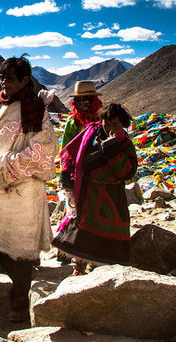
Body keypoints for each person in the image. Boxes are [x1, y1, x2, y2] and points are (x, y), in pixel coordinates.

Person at [0, 58, 58, 323]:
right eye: (2, 77)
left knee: (21, 250)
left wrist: (2, 169)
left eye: (10, 78)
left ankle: (19, 300)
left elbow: (43, 151)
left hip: (22, 191)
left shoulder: (35, 110)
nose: (4, 82)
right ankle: (18, 287)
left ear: (25, 80)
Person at [51, 103, 138, 272]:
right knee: (82, 231)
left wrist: (111, 149)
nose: (111, 129)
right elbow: (73, 157)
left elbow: (126, 172)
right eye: (107, 123)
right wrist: (67, 179)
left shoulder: (125, 144)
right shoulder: (90, 136)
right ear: (101, 121)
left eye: (116, 125)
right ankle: (79, 266)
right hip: (88, 192)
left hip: (112, 196)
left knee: (109, 234)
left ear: (123, 125)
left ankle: (101, 268)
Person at [60, 81, 103, 155]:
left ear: (94, 100)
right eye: (79, 100)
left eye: (86, 99)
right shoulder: (72, 122)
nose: (82, 103)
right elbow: (66, 148)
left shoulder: (103, 119)